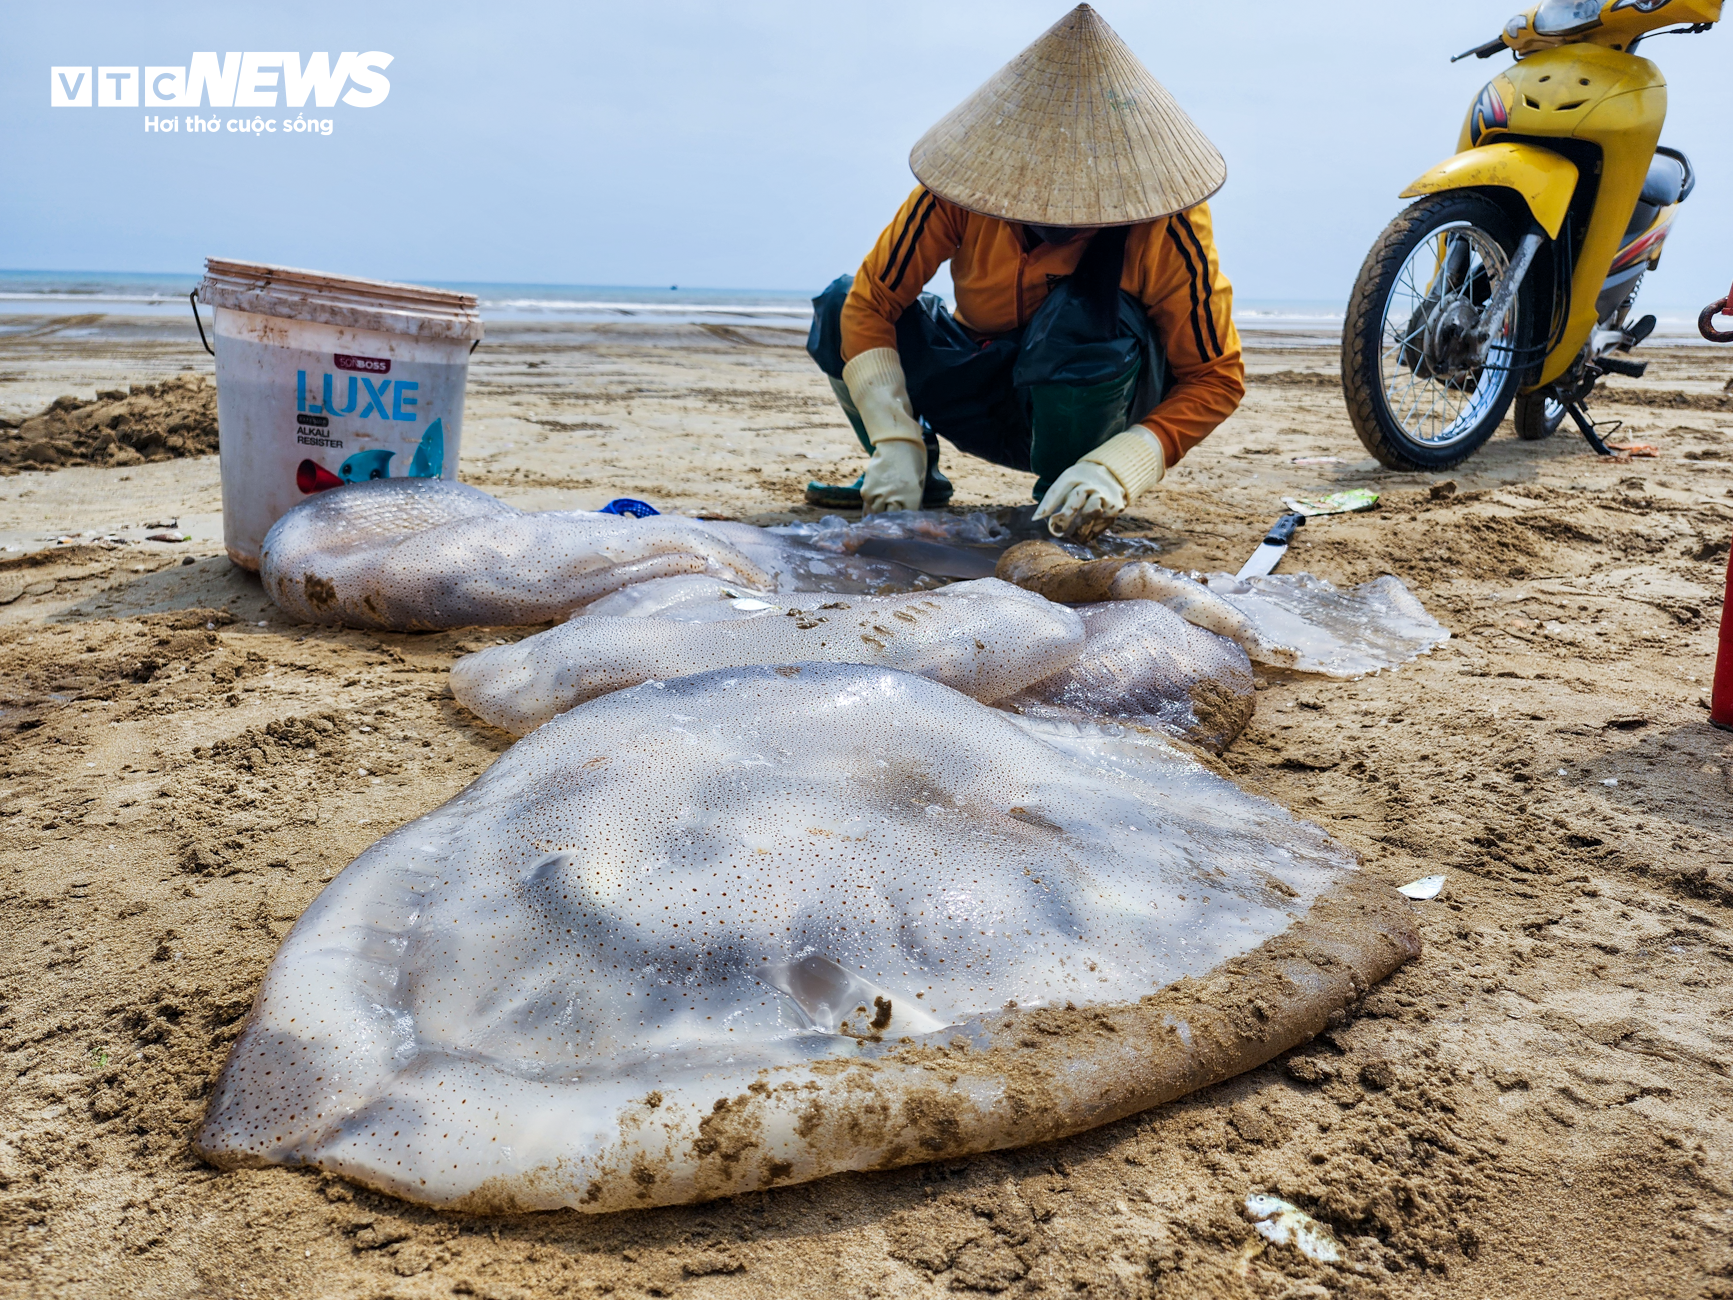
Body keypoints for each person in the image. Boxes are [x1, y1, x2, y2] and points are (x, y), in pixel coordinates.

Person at [805, 4, 1244, 539]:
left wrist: (1122, 463)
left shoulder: (1166, 228)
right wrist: (894, 438)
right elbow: (873, 303)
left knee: (1080, 314)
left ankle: (1066, 496)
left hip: (1093, 408)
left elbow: (1215, 377)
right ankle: (915, 473)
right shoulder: (960, 192)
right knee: (839, 302)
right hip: (982, 385)